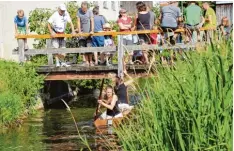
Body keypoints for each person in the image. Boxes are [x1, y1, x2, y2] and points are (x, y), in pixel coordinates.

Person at [77, 1, 94, 66]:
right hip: (82, 32)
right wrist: (79, 31)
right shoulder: (79, 12)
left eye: (85, 9)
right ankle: (86, 61)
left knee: (89, 46)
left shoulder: (90, 11)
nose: (84, 10)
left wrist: (92, 30)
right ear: (81, 8)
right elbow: (78, 21)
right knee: (83, 47)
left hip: (89, 32)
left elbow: (92, 21)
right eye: (83, 9)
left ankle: (91, 61)